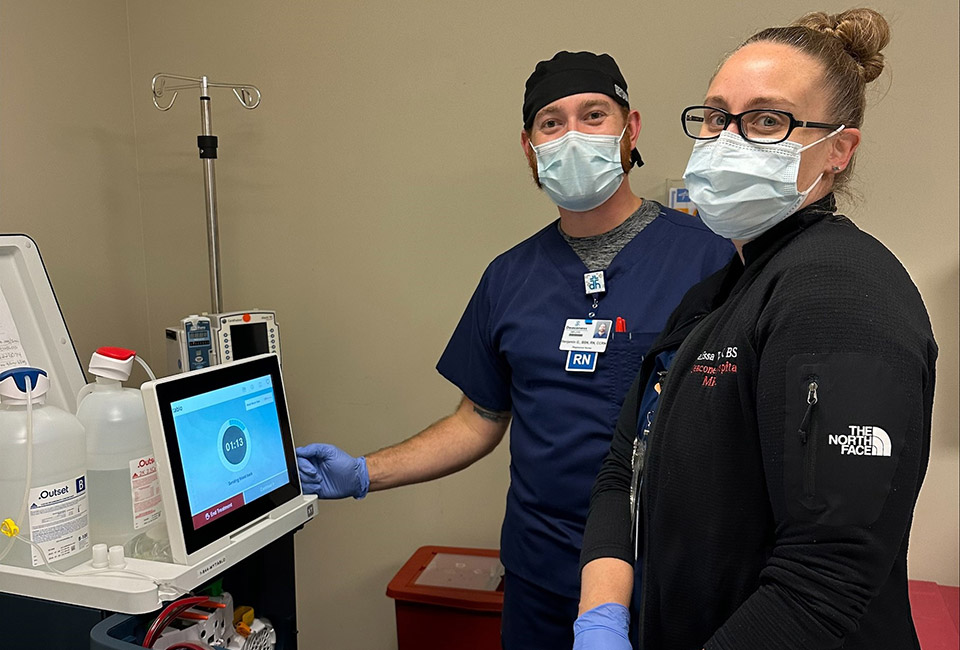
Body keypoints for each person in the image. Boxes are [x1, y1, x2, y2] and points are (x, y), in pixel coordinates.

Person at [297, 51, 733, 649]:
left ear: (631, 130)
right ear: (529, 147)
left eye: (594, 115)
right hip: (542, 578)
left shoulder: (713, 260)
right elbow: (478, 418)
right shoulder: (508, 278)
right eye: (551, 123)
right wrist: (364, 472)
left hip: (673, 576)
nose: (572, 135)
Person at [576, 9, 938, 650]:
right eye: (717, 116)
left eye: (767, 121)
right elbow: (622, 470)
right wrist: (600, 615)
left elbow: (825, 581)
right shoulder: (716, 293)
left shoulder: (843, 293)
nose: (727, 140)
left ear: (838, 150)